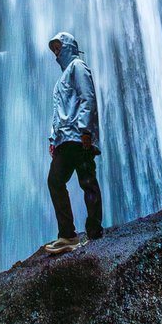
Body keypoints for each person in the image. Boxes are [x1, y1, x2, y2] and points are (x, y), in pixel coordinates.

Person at [41, 32, 104, 254]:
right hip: (65, 140)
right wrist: (53, 139)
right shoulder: (61, 80)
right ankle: (67, 235)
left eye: (58, 47)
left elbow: (88, 97)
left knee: (87, 181)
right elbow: (58, 113)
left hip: (79, 137)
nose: (56, 52)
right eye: (54, 49)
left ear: (68, 46)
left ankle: (94, 232)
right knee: (55, 181)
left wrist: (86, 130)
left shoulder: (78, 66)